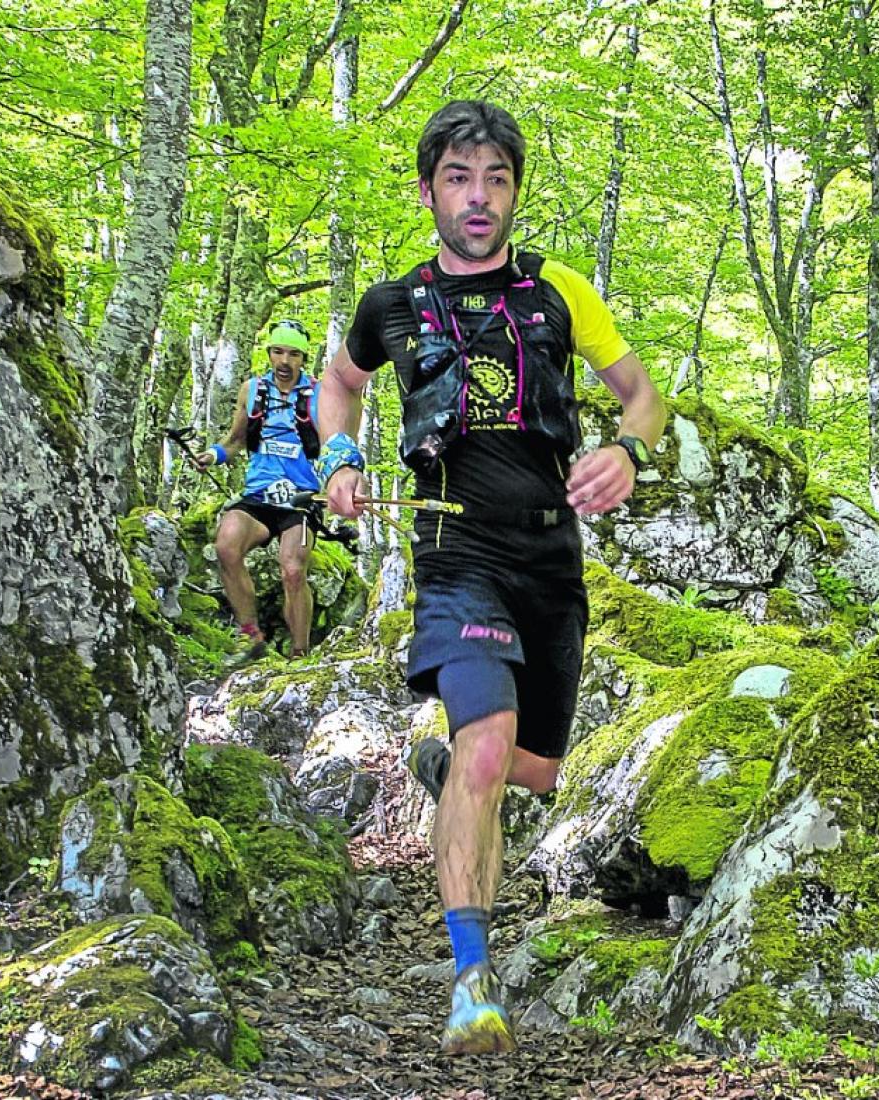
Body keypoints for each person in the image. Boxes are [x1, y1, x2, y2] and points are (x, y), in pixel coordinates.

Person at [314, 100, 666, 1055]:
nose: (479, 198)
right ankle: (472, 982)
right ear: (429, 188)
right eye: (460, 179)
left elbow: (641, 393)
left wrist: (629, 451)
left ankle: (447, 766)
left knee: (533, 772)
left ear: (513, 191)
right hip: (452, 548)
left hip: (551, 555)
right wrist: (337, 458)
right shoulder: (391, 305)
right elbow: (337, 384)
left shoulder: (559, 294)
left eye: (496, 180)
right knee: (487, 749)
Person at [192, 319, 331, 661]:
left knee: (294, 569)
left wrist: (341, 482)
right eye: (278, 351)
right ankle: (249, 634)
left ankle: (300, 653)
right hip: (258, 495)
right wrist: (213, 455)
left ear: (304, 358)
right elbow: (237, 440)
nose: (285, 361)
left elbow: (333, 446)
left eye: (293, 354)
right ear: (268, 353)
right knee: (226, 545)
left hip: (300, 499)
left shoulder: (319, 395)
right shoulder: (252, 390)